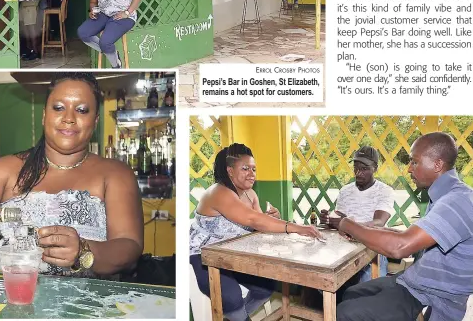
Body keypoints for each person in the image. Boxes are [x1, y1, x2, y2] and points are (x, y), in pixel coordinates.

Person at [0, 72, 144, 278]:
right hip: (11, 298)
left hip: (86, 305)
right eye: (59, 108)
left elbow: (130, 247)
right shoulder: (6, 169)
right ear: (45, 115)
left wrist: (84, 251)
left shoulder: (116, 173)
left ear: (95, 120)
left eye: (82, 110)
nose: (69, 118)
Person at [336, 132, 473, 321]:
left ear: (437, 165)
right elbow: (410, 235)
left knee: (344, 312)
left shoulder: (458, 200)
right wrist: (364, 231)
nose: (409, 169)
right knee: (352, 293)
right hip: (417, 280)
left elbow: (400, 246)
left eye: (414, 162)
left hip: (435, 296)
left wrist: (346, 224)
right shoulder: (444, 196)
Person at [190, 143, 322, 321]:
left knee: (265, 288)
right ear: (229, 170)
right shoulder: (218, 192)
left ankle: (236, 317)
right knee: (231, 298)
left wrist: (273, 217)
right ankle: (238, 315)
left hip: (233, 253)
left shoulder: (250, 194)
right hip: (205, 256)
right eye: (245, 168)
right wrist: (297, 227)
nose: (251, 174)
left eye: (253, 169)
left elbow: (258, 222)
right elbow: (253, 220)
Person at [320, 146, 394, 283]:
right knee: (324, 282)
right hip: (345, 249)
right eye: (356, 167)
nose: (358, 172)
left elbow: (379, 222)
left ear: (375, 168)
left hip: (373, 250)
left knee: (370, 290)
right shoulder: (345, 191)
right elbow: (339, 217)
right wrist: (329, 219)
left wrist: (348, 226)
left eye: (364, 168)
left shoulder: (384, 191)